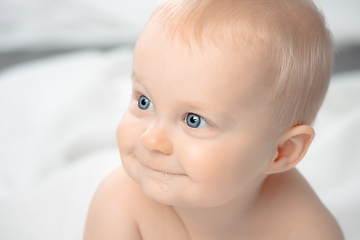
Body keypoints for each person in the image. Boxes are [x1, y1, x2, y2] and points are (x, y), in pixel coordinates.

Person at [84, 0, 344, 239]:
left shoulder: (304, 226)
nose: (151, 139)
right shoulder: (120, 204)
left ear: (281, 151)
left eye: (194, 120)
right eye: (145, 101)